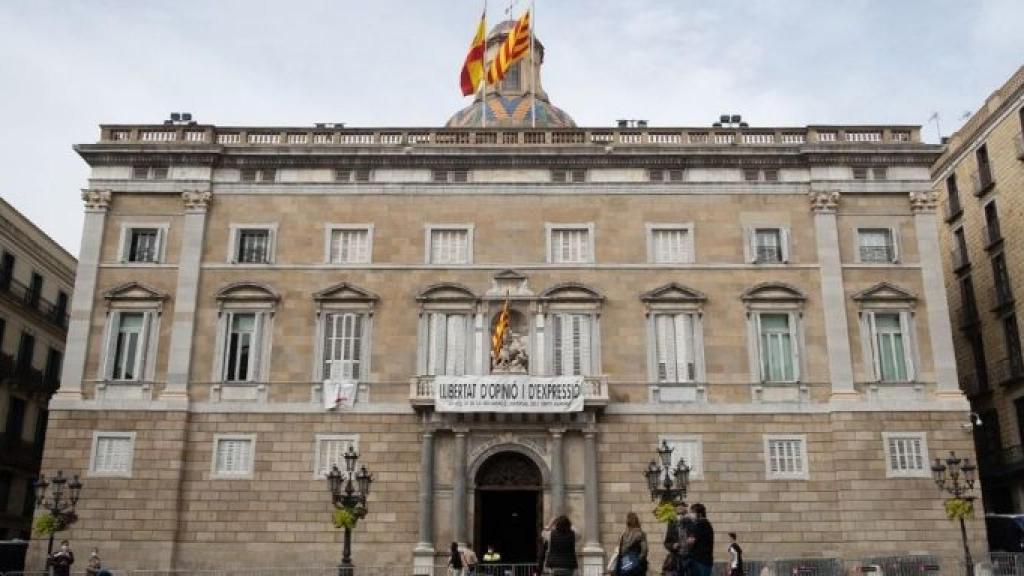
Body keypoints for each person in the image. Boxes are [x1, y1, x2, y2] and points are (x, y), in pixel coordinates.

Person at [662, 502, 693, 576]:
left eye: (682, 506)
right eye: (678, 507)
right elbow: (666, 542)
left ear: (686, 509)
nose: (680, 508)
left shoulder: (691, 522)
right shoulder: (672, 523)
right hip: (676, 559)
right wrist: (673, 545)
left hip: (690, 557)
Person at [615, 511, 648, 576]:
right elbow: (644, 550)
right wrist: (638, 561)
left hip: (625, 562)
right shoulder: (640, 533)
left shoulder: (623, 535)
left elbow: (621, 551)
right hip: (636, 565)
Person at [686, 504, 714, 576]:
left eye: (692, 512)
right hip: (705, 561)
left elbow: (691, 541)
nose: (691, 514)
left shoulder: (700, 524)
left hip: (699, 561)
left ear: (700, 514)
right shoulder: (707, 524)